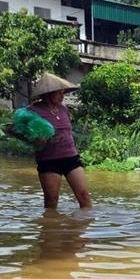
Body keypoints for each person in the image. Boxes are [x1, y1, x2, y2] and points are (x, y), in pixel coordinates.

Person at [25, 73, 92, 210]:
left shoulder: (63, 109)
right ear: (48, 94)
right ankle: (50, 230)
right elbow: (19, 131)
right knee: (51, 203)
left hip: (71, 158)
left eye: (63, 93)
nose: (63, 96)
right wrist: (37, 140)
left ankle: (81, 229)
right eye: (59, 93)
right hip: (49, 161)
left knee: (84, 197)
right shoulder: (32, 111)